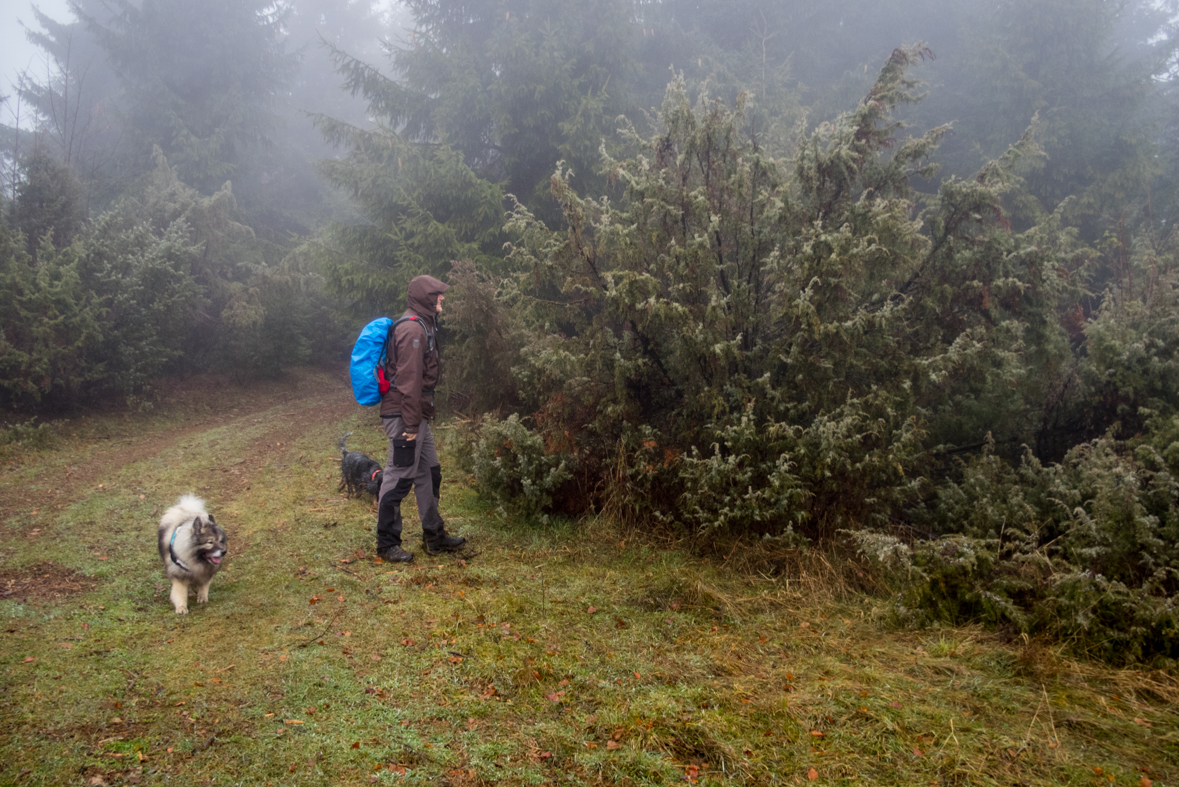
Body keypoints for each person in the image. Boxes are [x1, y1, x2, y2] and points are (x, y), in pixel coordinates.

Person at [375, 274, 466, 563]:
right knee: (399, 477)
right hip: (405, 416)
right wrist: (411, 425)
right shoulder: (413, 331)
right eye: (437, 294)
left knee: (430, 472)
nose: (442, 298)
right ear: (425, 298)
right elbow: (409, 383)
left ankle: (434, 535)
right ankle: (386, 543)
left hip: (416, 415)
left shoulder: (423, 325)